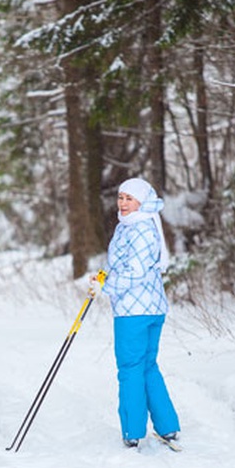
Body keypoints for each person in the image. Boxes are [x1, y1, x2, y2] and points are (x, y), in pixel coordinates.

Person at [98, 178, 180, 449]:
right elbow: (126, 265)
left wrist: (106, 286)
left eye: (129, 199)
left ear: (141, 201)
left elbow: (136, 271)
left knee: (130, 369)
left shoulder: (140, 228)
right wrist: (104, 277)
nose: (123, 203)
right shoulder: (133, 225)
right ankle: (167, 427)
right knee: (146, 367)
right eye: (121, 197)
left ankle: (132, 431)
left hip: (135, 311)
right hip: (149, 308)